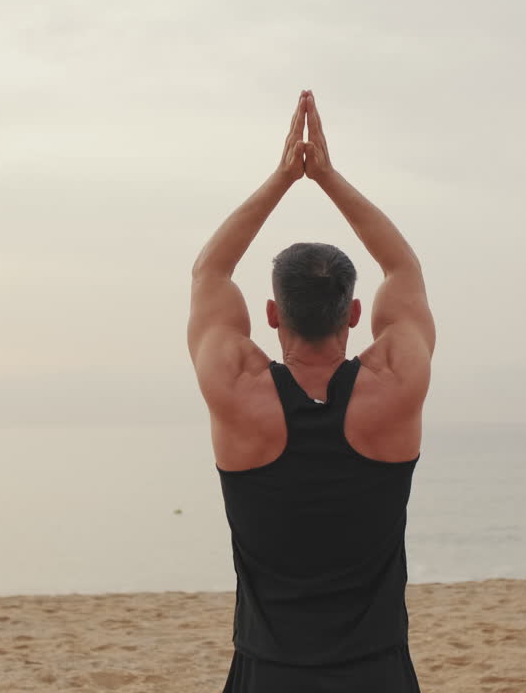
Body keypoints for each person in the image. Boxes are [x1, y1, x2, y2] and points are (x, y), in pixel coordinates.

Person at [187, 90, 435, 692]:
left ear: (272, 313)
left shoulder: (238, 392)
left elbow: (210, 273)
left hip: (269, 673)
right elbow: (403, 270)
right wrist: (326, 176)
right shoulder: (395, 389)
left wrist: (283, 178)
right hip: (376, 672)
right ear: (354, 313)